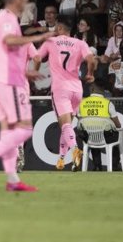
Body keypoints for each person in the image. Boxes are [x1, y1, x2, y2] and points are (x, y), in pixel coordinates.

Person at [0, 0, 54, 192]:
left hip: (2, 79)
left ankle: (12, 179)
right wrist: (38, 36)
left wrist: (26, 72)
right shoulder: (7, 19)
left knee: (8, 132)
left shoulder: (4, 19)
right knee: (25, 129)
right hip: (9, 82)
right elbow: (9, 41)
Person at [33, 17, 96, 170]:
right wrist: (90, 73)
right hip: (76, 89)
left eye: (56, 28)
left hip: (60, 88)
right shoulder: (80, 43)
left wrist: (34, 72)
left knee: (65, 124)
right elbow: (91, 59)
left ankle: (75, 150)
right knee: (66, 125)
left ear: (60, 28)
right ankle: (61, 158)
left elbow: (37, 57)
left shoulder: (51, 42)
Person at [75, 82, 122, 171]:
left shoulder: (82, 102)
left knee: (92, 134)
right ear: (102, 91)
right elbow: (118, 125)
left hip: (89, 137)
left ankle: (97, 166)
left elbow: (79, 118)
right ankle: (115, 165)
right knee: (121, 135)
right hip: (105, 137)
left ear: (92, 89)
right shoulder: (108, 103)